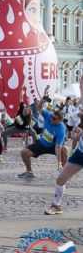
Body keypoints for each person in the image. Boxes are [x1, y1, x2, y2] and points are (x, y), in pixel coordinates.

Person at [45, 78, 83, 215]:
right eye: (81, 83)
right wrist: (76, 134)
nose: (81, 85)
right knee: (61, 178)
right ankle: (56, 205)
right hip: (81, 152)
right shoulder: (77, 107)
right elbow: (73, 132)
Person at [18, 100, 68, 179]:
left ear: (60, 120)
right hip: (41, 143)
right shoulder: (49, 116)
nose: (51, 119)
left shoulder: (61, 129)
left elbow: (58, 147)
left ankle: (64, 173)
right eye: (52, 117)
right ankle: (29, 172)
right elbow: (39, 108)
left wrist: (59, 164)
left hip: (53, 146)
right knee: (24, 152)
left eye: (54, 119)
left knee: (64, 150)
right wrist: (42, 100)